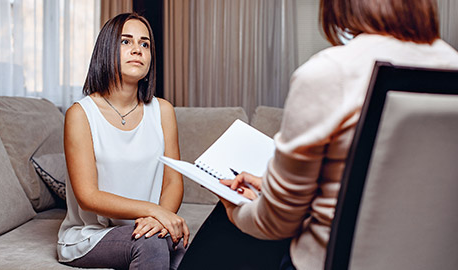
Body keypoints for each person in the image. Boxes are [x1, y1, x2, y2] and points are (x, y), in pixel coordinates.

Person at [177, 0, 458, 269]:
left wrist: (231, 206)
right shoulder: (451, 63)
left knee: (227, 227)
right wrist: (272, 186)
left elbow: (274, 223)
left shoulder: (329, 71)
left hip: (332, 262)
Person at [57, 13, 189, 270]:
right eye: (126, 42)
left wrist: (160, 219)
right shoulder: (80, 114)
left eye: (145, 44)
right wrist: (155, 211)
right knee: (150, 243)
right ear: (106, 50)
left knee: (182, 245)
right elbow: (88, 196)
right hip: (91, 235)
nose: (137, 50)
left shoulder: (163, 111)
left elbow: (173, 181)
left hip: (149, 228)